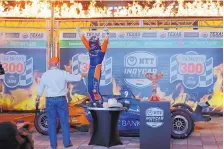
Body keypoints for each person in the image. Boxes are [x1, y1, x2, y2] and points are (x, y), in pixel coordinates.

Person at [36, 57, 85, 149]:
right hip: (61, 100)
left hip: (50, 101)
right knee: (64, 122)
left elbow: (40, 89)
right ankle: (67, 143)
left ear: (49, 64)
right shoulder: (63, 73)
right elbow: (74, 78)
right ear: (58, 64)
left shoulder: (45, 75)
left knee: (51, 122)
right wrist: (81, 75)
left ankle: (53, 145)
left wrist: (37, 98)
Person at [77, 27, 109, 107]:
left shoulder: (102, 50)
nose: (91, 46)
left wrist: (106, 33)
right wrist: (79, 32)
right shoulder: (89, 49)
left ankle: (99, 101)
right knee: (89, 88)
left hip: (97, 69)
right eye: (91, 44)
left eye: (93, 44)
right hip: (91, 69)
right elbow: (84, 40)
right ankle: (93, 101)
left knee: (95, 89)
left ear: (97, 43)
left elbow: (106, 41)